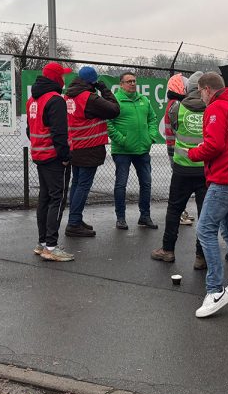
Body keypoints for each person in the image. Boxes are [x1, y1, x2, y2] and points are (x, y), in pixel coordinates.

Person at [187, 72, 228, 318]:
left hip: (224, 179)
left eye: (200, 92)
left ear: (206, 89)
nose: (200, 97)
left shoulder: (217, 109)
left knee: (205, 229)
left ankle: (215, 290)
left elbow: (213, 145)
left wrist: (193, 153)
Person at [151, 71, 208, 269]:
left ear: (188, 89)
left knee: (174, 210)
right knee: (204, 214)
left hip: (182, 168)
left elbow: (173, 133)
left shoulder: (176, 108)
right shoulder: (212, 109)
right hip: (205, 169)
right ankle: (201, 257)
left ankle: (168, 250)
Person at [64, 66, 121, 238]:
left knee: (76, 183)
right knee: (83, 185)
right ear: (93, 82)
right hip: (89, 147)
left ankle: (75, 218)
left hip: (75, 146)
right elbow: (114, 110)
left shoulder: (69, 96)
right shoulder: (89, 98)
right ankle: (73, 222)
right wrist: (104, 89)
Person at [26, 62, 74, 262]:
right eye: (62, 76)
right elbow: (59, 133)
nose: (64, 80)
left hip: (39, 155)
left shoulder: (32, 100)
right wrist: (64, 157)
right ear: (56, 78)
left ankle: (43, 243)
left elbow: (30, 130)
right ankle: (51, 247)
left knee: (45, 198)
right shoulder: (55, 100)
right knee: (57, 198)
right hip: (54, 158)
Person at [109, 71, 163, 230]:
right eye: (129, 81)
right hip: (122, 151)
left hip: (142, 150)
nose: (132, 84)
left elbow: (152, 119)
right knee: (121, 184)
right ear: (121, 84)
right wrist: (122, 140)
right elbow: (108, 124)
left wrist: (151, 137)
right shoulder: (115, 101)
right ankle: (120, 218)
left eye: (134, 81)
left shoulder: (144, 100)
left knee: (146, 183)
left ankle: (145, 216)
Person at [163, 72, 196, 227]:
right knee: (180, 185)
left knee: (179, 184)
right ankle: (181, 214)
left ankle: (181, 212)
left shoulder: (173, 103)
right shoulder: (176, 105)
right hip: (175, 147)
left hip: (172, 146)